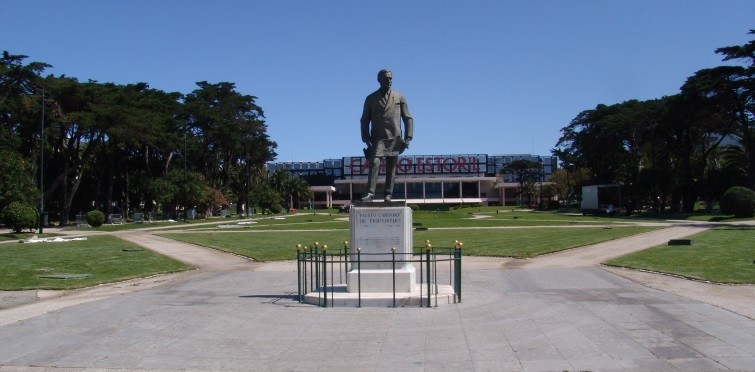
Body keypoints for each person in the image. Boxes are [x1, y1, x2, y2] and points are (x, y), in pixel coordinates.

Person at [360, 69, 414, 202]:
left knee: (392, 167)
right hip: (377, 138)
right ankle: (370, 193)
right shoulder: (371, 98)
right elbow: (364, 120)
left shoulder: (399, 96)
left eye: (390, 78)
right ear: (379, 80)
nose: (389, 80)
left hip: (394, 138)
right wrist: (366, 138)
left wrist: (408, 137)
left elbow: (408, 118)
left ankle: (388, 194)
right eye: (386, 78)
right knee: (375, 162)